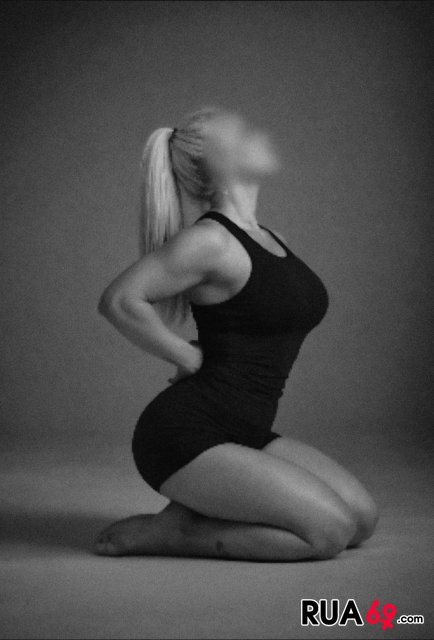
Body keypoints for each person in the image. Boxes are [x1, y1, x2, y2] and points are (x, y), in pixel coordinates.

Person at [94, 107, 379, 561]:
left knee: (362, 520)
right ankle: (175, 532)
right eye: (242, 133)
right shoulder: (212, 241)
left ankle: (196, 510)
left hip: (245, 429)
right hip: (186, 434)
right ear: (212, 163)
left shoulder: (270, 237)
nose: (259, 133)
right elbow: (119, 300)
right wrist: (185, 357)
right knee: (328, 533)